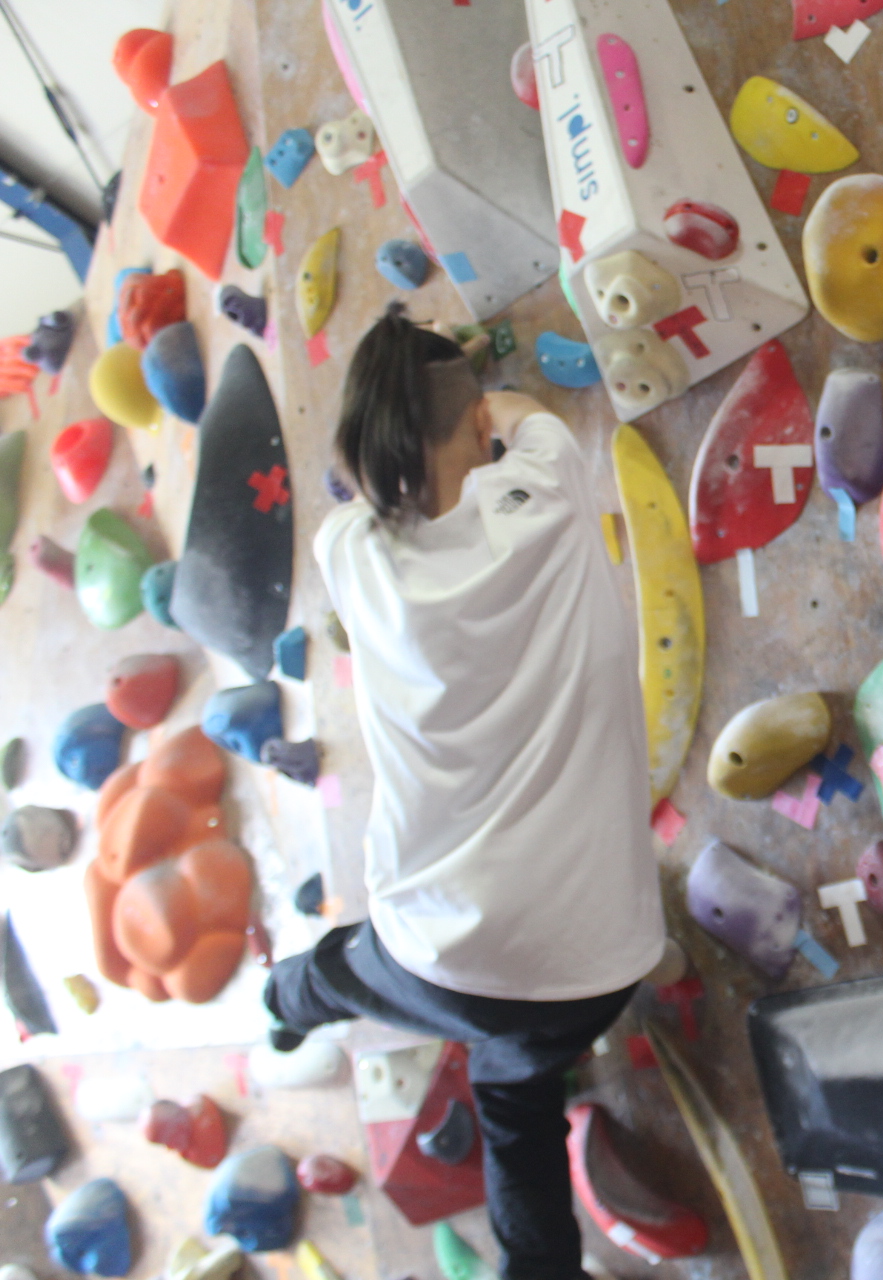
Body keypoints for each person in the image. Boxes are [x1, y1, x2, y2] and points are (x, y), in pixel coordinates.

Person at [262, 306, 674, 1279]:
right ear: (479, 422)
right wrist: (476, 376)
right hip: (600, 960)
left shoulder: (351, 554)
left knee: (336, 972)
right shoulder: (544, 488)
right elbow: (526, 411)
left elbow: (376, 490)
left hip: (440, 952)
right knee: (514, 1097)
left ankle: (280, 1006)